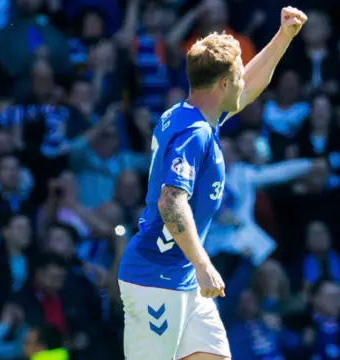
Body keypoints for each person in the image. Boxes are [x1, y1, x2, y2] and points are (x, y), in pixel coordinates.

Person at [117, 7, 308, 360]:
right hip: (156, 280)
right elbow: (170, 202)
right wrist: (205, 266)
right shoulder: (194, 133)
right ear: (223, 83)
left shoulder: (194, 113)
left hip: (185, 279)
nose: (242, 82)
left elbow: (250, 86)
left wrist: (284, 37)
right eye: (236, 74)